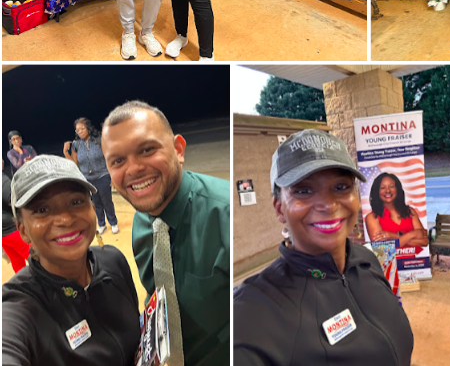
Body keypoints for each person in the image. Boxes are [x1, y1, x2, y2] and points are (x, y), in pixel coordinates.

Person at [234, 129, 415, 365]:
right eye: (304, 190)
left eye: (341, 187)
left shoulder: (367, 260)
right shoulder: (252, 312)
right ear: (279, 208)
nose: (329, 205)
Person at [100, 100, 230, 366]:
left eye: (147, 149)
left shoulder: (226, 217)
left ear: (178, 149)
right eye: (118, 161)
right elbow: (156, 294)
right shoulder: (142, 222)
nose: (133, 169)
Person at [2, 156, 141, 366]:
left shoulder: (113, 261)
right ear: (23, 231)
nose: (65, 219)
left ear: (92, 208)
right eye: (42, 210)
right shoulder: (20, 307)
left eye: (76, 202)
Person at [63, 117, 118, 235]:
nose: (80, 132)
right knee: (96, 203)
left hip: (103, 175)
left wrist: (112, 176)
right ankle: (102, 224)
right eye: (77, 130)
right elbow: (74, 163)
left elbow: (109, 158)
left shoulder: (99, 140)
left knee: (107, 201)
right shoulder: (76, 144)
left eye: (82, 128)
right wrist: (65, 152)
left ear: (88, 128)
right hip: (87, 179)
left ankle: (113, 223)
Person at [365, 172, 429, 246]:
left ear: (397, 189)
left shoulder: (410, 212)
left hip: (413, 258)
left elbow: (424, 241)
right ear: (377, 192)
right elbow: (382, 250)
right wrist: (413, 234)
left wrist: (392, 236)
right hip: (390, 258)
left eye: (391, 186)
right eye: (382, 188)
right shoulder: (372, 217)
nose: (388, 190)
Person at [2, 171, 31, 273]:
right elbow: (13, 200)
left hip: (4, 233)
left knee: (17, 261)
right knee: (36, 257)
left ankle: (24, 287)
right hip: (11, 228)